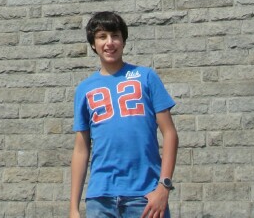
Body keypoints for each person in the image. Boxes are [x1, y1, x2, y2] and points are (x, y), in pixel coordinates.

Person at [70, 12, 178, 218]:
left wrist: (164, 186)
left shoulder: (146, 77)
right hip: (100, 199)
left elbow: (170, 134)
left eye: (115, 36)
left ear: (123, 41)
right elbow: (81, 149)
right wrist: (73, 208)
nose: (109, 43)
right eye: (102, 36)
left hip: (145, 197)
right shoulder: (85, 89)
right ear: (93, 44)